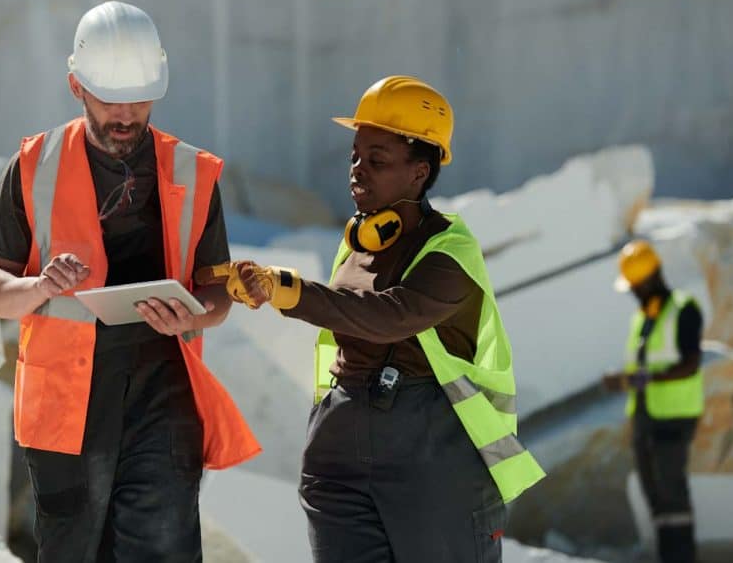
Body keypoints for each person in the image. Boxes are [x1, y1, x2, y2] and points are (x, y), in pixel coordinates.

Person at [199, 76, 544, 562]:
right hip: (340, 452)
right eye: (355, 156)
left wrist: (287, 290)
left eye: (377, 160)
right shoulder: (359, 243)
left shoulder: (449, 251)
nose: (358, 171)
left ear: (419, 172)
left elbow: (387, 317)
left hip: (432, 462)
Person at [0, 1, 259, 562]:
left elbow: (217, 289)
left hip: (163, 398)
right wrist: (40, 287)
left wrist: (196, 314)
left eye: (139, 98)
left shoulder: (194, 173)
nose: (126, 114)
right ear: (76, 86)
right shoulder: (33, 165)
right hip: (66, 408)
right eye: (111, 98)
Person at [603, 240, 703, 563]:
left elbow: (689, 365)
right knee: (655, 497)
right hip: (646, 420)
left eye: (633, 286)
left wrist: (636, 380)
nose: (631, 292)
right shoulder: (642, 318)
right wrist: (623, 380)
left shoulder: (684, 309)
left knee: (672, 495)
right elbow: (643, 368)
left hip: (673, 419)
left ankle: (681, 558)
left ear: (648, 280)